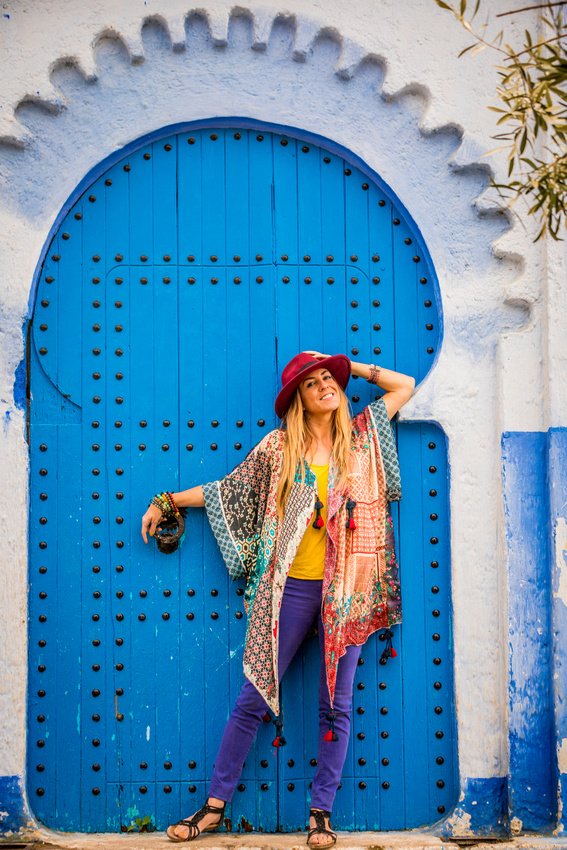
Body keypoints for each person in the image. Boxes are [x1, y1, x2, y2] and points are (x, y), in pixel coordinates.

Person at [141, 351, 415, 846]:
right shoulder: (279, 448)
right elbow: (230, 490)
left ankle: (320, 814)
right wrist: (169, 500)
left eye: (330, 379)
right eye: (312, 384)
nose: (324, 387)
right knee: (254, 697)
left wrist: (356, 368)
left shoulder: (363, 436)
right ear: (299, 400)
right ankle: (213, 808)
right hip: (291, 590)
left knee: (337, 705)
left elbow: (405, 387)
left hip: (347, 592)